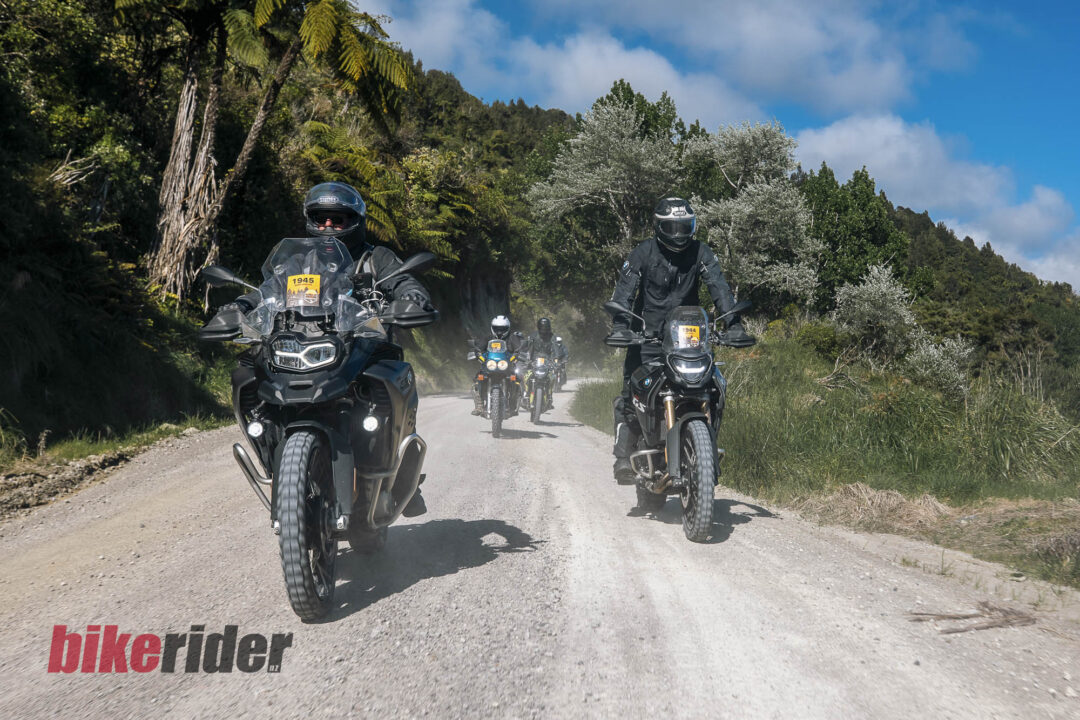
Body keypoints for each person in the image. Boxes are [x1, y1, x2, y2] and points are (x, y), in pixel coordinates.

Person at [205, 181, 433, 515]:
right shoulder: (298, 261)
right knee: (248, 373)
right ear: (310, 220)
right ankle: (273, 454)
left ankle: (400, 478)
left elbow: (403, 280)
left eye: (337, 219)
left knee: (393, 378)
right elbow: (266, 291)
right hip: (302, 345)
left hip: (361, 347)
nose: (328, 226)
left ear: (354, 221)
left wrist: (412, 296)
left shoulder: (375, 258)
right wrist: (238, 306)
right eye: (321, 218)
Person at [606, 196, 754, 484]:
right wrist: (622, 327)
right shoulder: (642, 252)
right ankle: (623, 456)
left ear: (693, 226)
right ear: (659, 227)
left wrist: (734, 325)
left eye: (684, 226)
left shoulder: (701, 253)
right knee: (631, 395)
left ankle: (702, 447)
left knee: (712, 387)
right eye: (672, 227)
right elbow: (624, 292)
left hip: (688, 338)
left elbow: (719, 288)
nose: (679, 234)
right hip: (646, 338)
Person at [469, 315, 526, 415]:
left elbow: (519, 348)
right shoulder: (488, 337)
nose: (499, 331)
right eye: (497, 328)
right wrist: (476, 352)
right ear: (492, 327)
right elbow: (479, 347)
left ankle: (513, 405)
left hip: (507, 366)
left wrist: (520, 353)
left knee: (517, 380)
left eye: (502, 329)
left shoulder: (512, 337)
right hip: (489, 365)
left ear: (507, 328)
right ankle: (479, 406)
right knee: (477, 380)